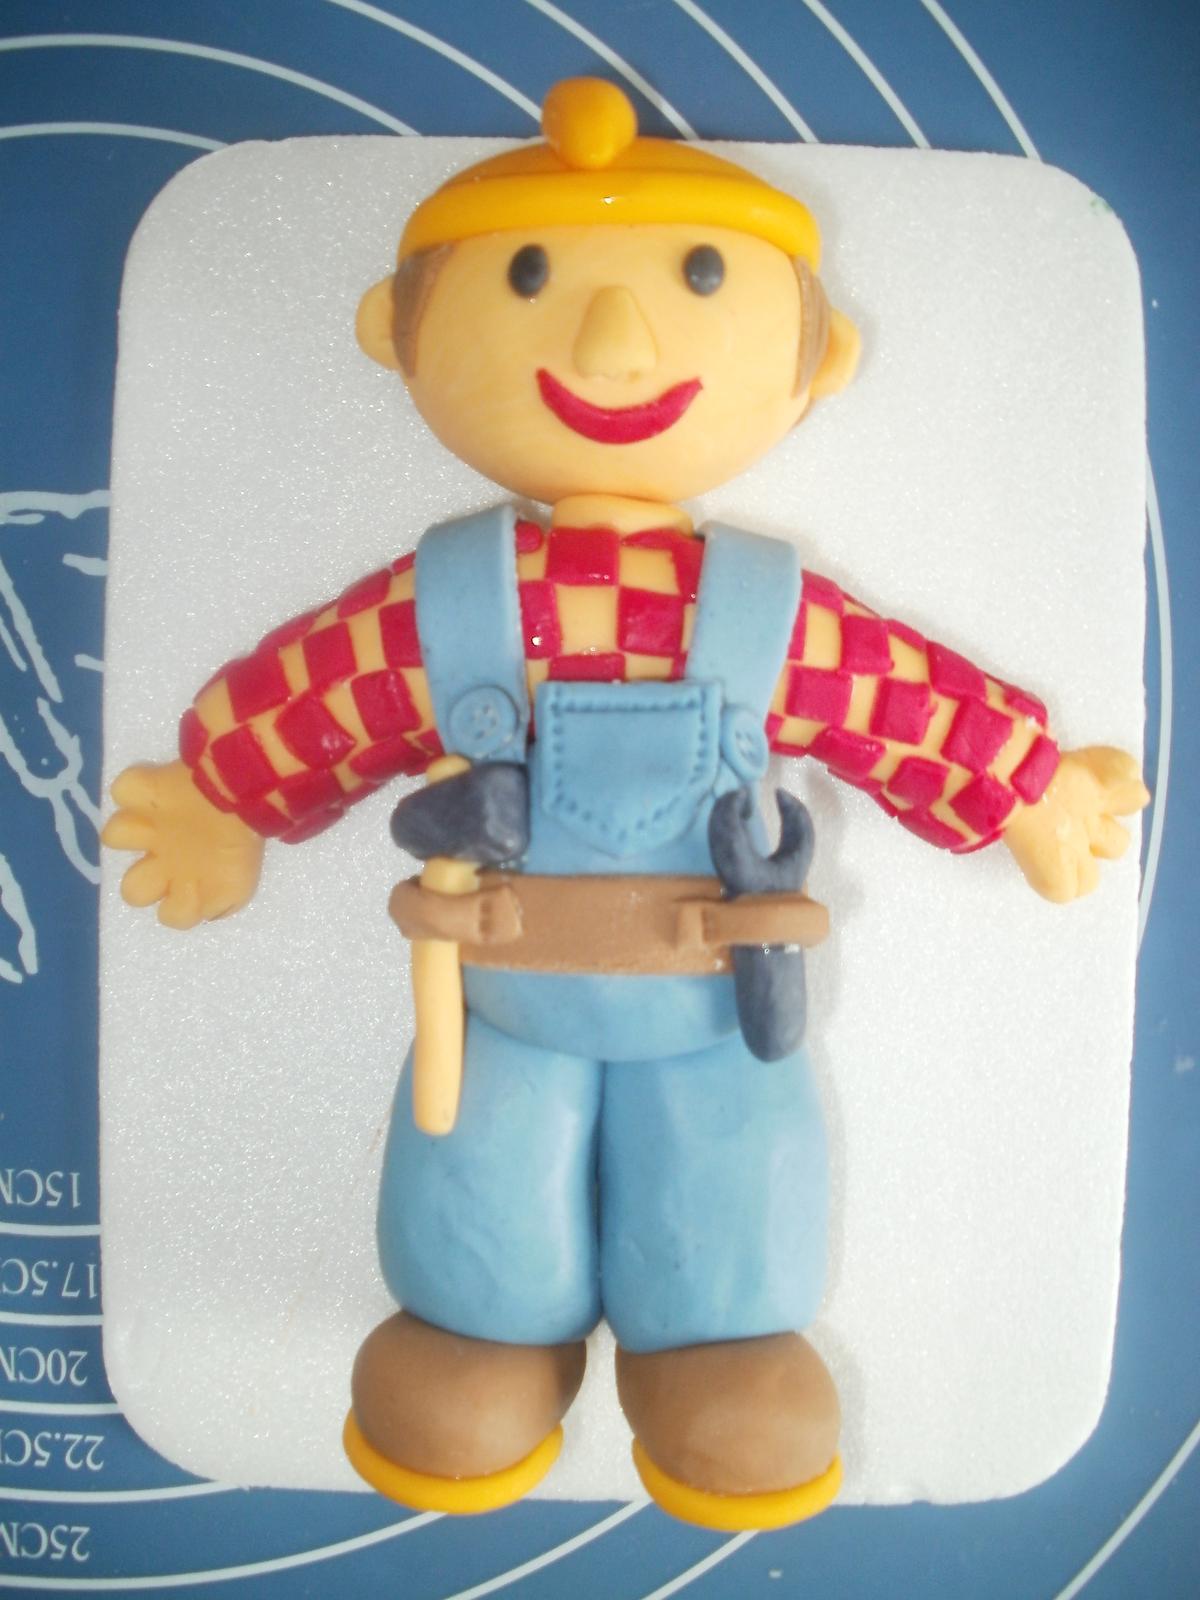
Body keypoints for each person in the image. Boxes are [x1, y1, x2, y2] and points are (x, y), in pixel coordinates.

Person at [103, 77, 1148, 1530]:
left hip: (721, 1011)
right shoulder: (447, 604)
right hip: (496, 1009)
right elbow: (328, 689)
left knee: (726, 1192)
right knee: (480, 1193)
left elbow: (891, 699)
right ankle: (480, 1333)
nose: (610, 341)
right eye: (530, 277)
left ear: (819, 356)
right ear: (397, 336)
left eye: (700, 279)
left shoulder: (767, 616)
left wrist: (1026, 784)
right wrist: (223, 796)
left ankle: (716, 1347)